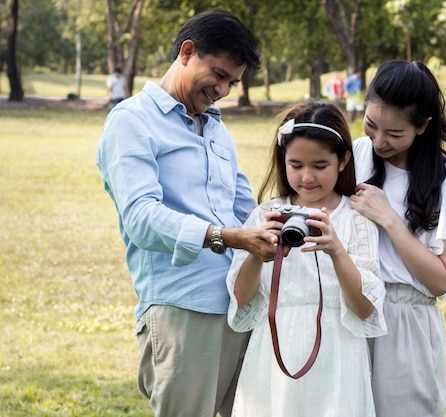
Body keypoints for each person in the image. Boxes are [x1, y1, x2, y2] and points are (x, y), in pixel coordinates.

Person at [95, 10, 278, 417]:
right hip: (183, 309)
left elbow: (244, 208)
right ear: (187, 52)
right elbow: (141, 217)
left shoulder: (215, 127)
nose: (223, 90)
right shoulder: (131, 122)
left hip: (239, 304)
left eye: (232, 82)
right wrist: (227, 238)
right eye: (218, 75)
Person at [226, 101, 387, 417]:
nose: (307, 176)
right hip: (273, 352)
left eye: (320, 165)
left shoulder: (354, 218)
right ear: (283, 160)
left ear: (343, 161)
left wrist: (336, 250)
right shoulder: (265, 214)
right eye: (296, 165)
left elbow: (364, 307)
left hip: (338, 355)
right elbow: (242, 298)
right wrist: (259, 253)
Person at [349, 60, 446, 417]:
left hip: (405, 321)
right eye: (372, 125)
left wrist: (390, 220)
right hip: (348, 311)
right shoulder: (355, 154)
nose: (379, 141)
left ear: (423, 126)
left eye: (394, 134)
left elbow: (441, 279)